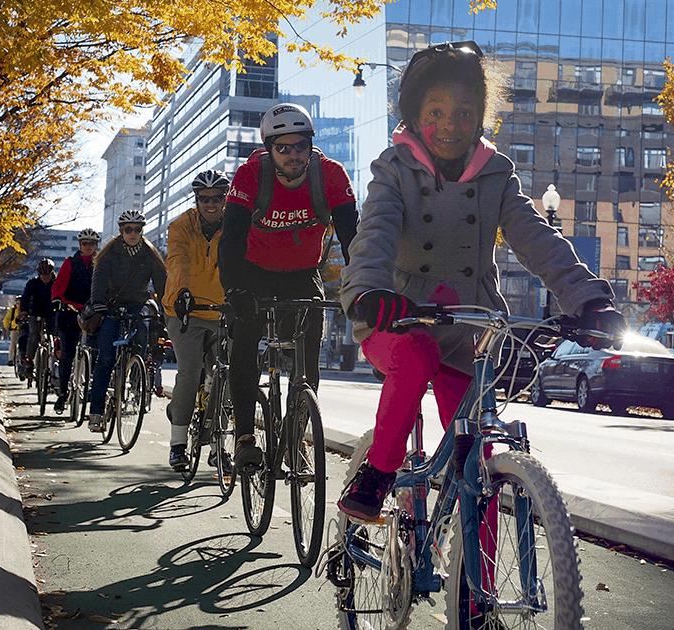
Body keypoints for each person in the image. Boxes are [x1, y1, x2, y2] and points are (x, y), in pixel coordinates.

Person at [336, 41, 626, 523]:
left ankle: (476, 591)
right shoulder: (394, 171)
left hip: (468, 330)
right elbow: (377, 231)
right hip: (394, 316)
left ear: (480, 117)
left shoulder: (497, 176)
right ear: (414, 114)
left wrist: (587, 298)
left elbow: (538, 239)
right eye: (436, 111)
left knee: (478, 465)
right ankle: (378, 472)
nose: (450, 124)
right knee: (416, 354)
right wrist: (368, 290)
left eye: (464, 112)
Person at [220, 102, 359, 472]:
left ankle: (295, 435)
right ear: (269, 149)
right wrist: (235, 291)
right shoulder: (250, 176)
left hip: (302, 272)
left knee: (306, 357)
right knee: (246, 340)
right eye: (283, 148)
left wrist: (364, 285)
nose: (294, 155)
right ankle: (246, 438)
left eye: (301, 146)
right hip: (254, 271)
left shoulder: (330, 175)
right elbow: (231, 239)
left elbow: (352, 237)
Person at [163, 170, 231, 472]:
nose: (211, 204)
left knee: (226, 376)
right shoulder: (181, 225)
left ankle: (219, 448)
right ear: (196, 199)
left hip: (222, 311)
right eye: (205, 199)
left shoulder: (236, 224)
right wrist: (181, 292)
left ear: (225, 198)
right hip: (185, 310)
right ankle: (178, 445)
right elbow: (177, 261)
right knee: (189, 374)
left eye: (217, 198)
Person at [84, 209, 167, 433]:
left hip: (137, 304)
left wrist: (167, 306)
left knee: (141, 340)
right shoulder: (109, 253)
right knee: (106, 358)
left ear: (142, 231)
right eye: (128, 229)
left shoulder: (149, 254)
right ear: (121, 231)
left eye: (137, 229)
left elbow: (161, 282)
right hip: (110, 306)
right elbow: (99, 279)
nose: (132, 233)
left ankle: (135, 370)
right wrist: (98, 302)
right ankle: (97, 412)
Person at [50, 228, 100, 414]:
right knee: (67, 354)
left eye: (92, 243)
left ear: (96, 246)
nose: (88, 247)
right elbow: (58, 285)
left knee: (96, 351)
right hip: (69, 312)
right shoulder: (70, 263)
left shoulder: (99, 263)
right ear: (80, 245)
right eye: (85, 243)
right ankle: (62, 394)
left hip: (92, 313)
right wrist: (57, 299)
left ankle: (93, 392)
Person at [19, 258, 57, 380]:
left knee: (55, 335)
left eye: (48, 275)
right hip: (35, 313)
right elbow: (25, 298)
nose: (45, 277)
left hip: (52, 313)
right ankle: (29, 361)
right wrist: (24, 311)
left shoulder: (57, 283)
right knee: (34, 335)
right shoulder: (32, 284)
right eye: (43, 275)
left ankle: (56, 360)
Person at [3, 298, 22, 367]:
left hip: (23, 329)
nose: (19, 305)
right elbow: (6, 318)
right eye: (17, 303)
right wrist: (6, 326)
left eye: (20, 303)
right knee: (13, 343)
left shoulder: (25, 310)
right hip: (15, 330)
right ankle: (10, 359)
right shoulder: (13, 309)